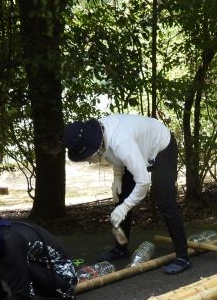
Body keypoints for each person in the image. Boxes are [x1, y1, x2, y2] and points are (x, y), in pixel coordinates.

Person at [64, 115, 191, 274]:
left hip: (161, 146)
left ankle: (183, 257)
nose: (89, 162)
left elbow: (143, 182)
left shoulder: (121, 142)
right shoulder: (99, 134)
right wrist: (118, 178)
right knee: (122, 195)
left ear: (95, 147)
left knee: (165, 200)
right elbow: (117, 158)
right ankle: (121, 249)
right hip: (137, 149)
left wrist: (125, 208)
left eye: (88, 157)